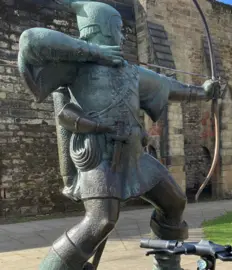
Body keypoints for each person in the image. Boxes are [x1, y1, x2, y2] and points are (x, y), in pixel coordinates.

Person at [17, 1, 219, 269]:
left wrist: (203, 92)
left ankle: (168, 265)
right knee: (101, 221)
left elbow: (169, 87)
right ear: (101, 29)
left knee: (174, 202)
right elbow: (30, 41)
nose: (123, 35)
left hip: (136, 156)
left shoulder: (130, 71)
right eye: (118, 28)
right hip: (100, 155)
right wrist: (93, 52)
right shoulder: (77, 65)